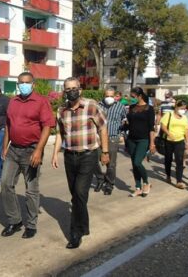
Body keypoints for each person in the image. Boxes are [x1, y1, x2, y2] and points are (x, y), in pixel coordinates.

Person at [52, 77, 109, 249]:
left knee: (79, 193)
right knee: (76, 195)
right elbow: (60, 134)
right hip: (70, 156)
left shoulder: (91, 106)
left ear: (80, 89)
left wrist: (105, 152)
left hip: (88, 155)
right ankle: (84, 226)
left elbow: (102, 128)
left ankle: (75, 234)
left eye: (73, 88)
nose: (71, 91)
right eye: (67, 89)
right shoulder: (62, 111)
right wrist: (55, 153)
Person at [0, 72, 55, 239]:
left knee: (31, 189)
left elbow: (47, 126)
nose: (24, 85)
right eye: (21, 82)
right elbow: (9, 124)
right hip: (13, 150)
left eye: (27, 82)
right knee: (5, 183)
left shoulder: (41, 101)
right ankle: (15, 220)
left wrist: (39, 150)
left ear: (33, 84)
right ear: (18, 84)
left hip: (32, 150)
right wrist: (5, 146)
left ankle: (31, 224)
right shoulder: (13, 102)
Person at [95, 88, 127, 195]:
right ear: (104, 95)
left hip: (113, 137)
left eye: (111, 96)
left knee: (111, 163)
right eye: (107, 95)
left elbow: (125, 120)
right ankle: (100, 178)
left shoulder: (120, 107)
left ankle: (109, 184)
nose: (109, 98)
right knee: (95, 160)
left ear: (115, 96)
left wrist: (121, 133)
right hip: (98, 137)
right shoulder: (98, 106)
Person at [126, 87, 156, 197]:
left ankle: (147, 183)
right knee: (134, 164)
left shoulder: (149, 108)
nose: (132, 99)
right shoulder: (132, 107)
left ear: (140, 96)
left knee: (138, 162)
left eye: (133, 97)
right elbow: (130, 123)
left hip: (143, 139)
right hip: (131, 139)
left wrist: (152, 143)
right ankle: (138, 187)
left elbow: (151, 127)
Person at [160, 100, 188, 189]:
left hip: (180, 141)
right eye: (181, 108)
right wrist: (169, 134)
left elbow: (186, 130)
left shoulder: (184, 118)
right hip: (169, 141)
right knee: (168, 159)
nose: (183, 110)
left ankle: (179, 181)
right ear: (176, 107)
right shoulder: (168, 115)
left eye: (184, 109)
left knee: (179, 161)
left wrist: (187, 141)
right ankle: (168, 175)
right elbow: (163, 126)